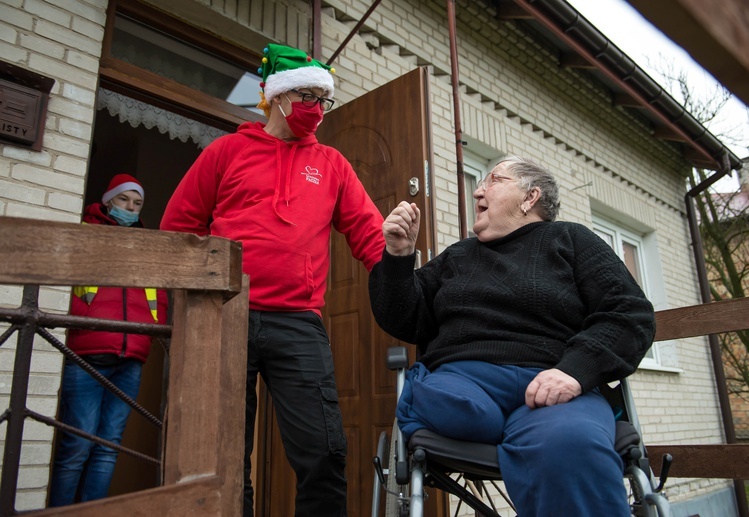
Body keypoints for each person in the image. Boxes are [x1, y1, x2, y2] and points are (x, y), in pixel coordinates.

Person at [159, 43, 385, 516]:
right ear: (276, 96)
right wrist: (177, 312)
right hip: (223, 315)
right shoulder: (226, 152)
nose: (316, 110)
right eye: (306, 96)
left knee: (324, 451)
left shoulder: (333, 165)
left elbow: (368, 233)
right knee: (220, 457)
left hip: (297, 321)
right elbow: (178, 230)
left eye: (324, 100)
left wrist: (402, 281)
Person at [368, 156, 656, 516]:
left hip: (553, 389)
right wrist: (398, 257)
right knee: (451, 404)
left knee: (569, 444)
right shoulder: (457, 257)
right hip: (465, 382)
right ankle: (491, 421)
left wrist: (575, 371)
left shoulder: (571, 240)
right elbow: (403, 319)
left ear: (530, 197)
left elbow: (629, 312)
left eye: (493, 180)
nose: (478, 190)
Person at [49, 174, 169, 506]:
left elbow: (157, 295)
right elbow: (64, 285)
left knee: (109, 446)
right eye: (124, 200)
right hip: (87, 353)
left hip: (130, 358)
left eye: (137, 202)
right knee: (78, 445)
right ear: (108, 201)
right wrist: (84, 321)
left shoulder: (146, 244)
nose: (131, 207)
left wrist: (149, 331)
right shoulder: (85, 232)